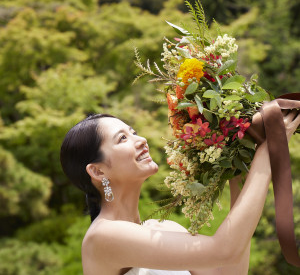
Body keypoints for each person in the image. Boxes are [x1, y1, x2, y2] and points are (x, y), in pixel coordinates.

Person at [60, 110, 300, 275]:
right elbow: (224, 250)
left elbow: (230, 269)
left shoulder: (165, 229)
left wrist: (240, 169)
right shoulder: (103, 237)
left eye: (133, 131)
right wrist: (269, 151)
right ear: (98, 171)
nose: (141, 139)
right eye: (122, 138)